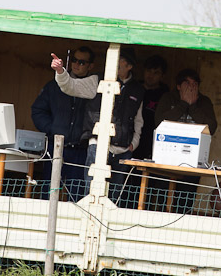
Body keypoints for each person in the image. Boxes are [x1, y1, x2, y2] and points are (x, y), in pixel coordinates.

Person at [51, 47, 144, 205]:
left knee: (115, 200)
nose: (114, 64)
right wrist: (60, 71)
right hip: (97, 146)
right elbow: (71, 86)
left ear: (129, 66)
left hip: (122, 151)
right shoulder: (97, 80)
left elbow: (138, 120)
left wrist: (133, 144)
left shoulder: (138, 89)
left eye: (119, 61)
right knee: (91, 194)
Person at [31, 46, 95, 201]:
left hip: (80, 150)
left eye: (81, 62)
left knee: (77, 196)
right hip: (55, 147)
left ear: (90, 66)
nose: (76, 64)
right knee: (49, 191)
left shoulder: (94, 88)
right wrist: (52, 129)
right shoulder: (53, 86)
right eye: (74, 60)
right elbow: (37, 110)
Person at [154, 68, 217, 213]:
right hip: (167, 157)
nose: (191, 87)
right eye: (187, 83)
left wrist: (193, 106)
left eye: (195, 84)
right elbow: (159, 122)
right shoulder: (168, 98)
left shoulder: (204, 101)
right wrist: (183, 104)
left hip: (193, 161)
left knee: (185, 201)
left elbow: (211, 127)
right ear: (178, 86)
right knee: (163, 199)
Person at [132, 55, 169, 160]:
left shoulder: (165, 95)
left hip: (153, 142)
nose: (150, 75)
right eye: (148, 71)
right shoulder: (134, 89)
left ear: (162, 76)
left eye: (156, 73)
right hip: (132, 139)